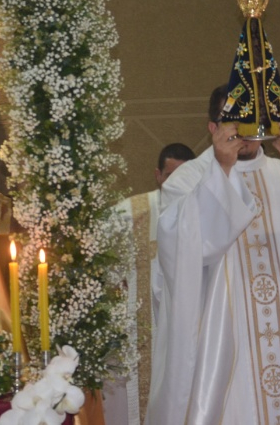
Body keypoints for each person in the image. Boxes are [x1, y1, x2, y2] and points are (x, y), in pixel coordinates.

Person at [147, 85, 280, 425]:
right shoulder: (191, 177)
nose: (246, 135)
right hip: (225, 336)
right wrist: (221, 173)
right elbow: (183, 248)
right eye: (235, 123)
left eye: (255, 123)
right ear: (213, 128)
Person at [105, 143, 196, 425]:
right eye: (171, 176)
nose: (178, 184)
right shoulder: (129, 213)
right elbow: (103, 268)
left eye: (186, 177)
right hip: (142, 331)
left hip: (189, 327)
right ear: (158, 175)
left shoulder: (207, 215)